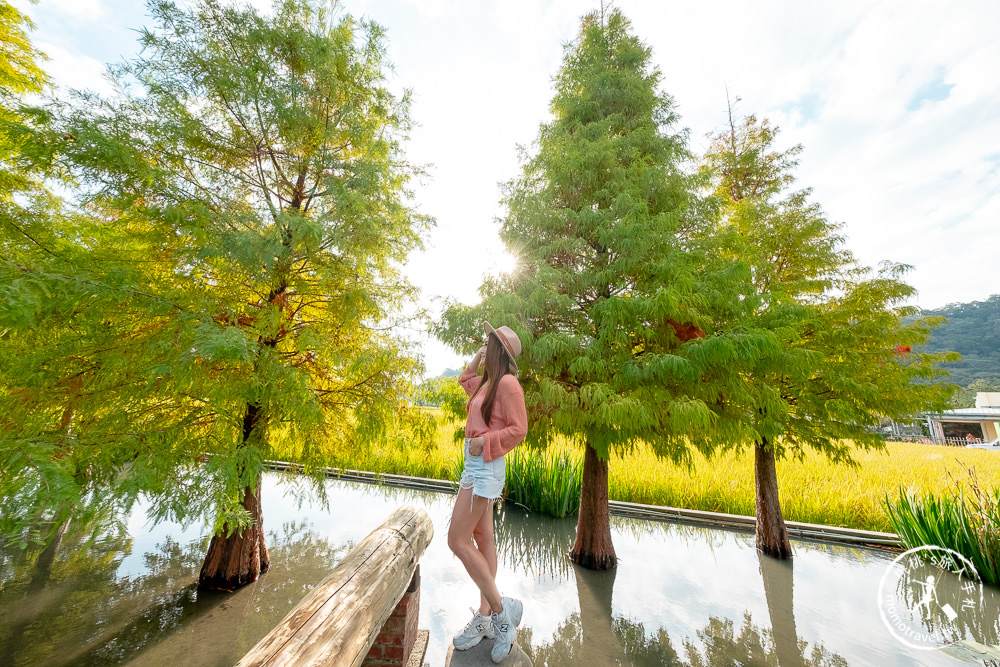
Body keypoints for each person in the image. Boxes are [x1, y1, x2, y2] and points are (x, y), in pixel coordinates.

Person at [448, 322, 528, 663]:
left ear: (500, 349)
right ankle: (484, 619)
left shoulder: (508, 384)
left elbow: (519, 429)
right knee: (484, 541)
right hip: (475, 466)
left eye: (488, 341)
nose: (484, 343)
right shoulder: (489, 382)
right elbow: (465, 382)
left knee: (457, 541)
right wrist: (476, 358)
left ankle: (500, 611)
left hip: (484, 466)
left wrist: (484, 441)